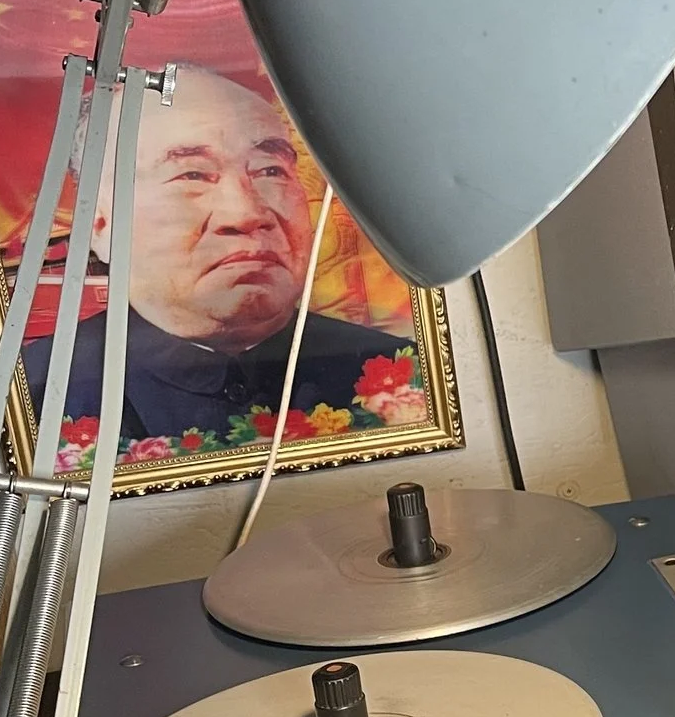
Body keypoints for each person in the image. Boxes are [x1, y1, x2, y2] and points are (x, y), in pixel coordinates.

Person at [21, 70, 406, 441]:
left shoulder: (395, 368)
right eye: (192, 175)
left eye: (270, 170)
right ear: (99, 224)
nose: (247, 214)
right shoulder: (35, 393)